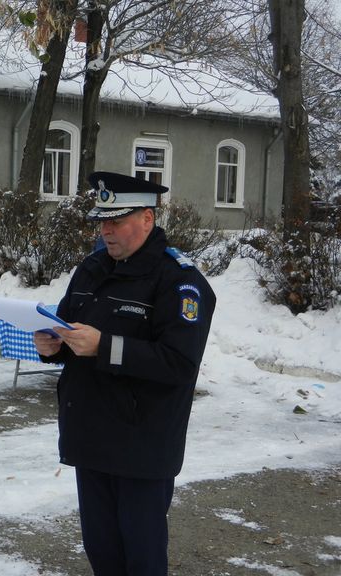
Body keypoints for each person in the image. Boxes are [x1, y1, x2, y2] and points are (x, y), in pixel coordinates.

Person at [34, 171, 216, 576]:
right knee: (102, 551)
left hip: (141, 444)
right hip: (90, 435)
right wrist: (53, 346)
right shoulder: (92, 267)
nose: (106, 231)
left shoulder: (179, 282)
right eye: (102, 221)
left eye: (115, 221)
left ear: (147, 219)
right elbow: (69, 329)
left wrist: (105, 346)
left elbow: (180, 364)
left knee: (142, 556)